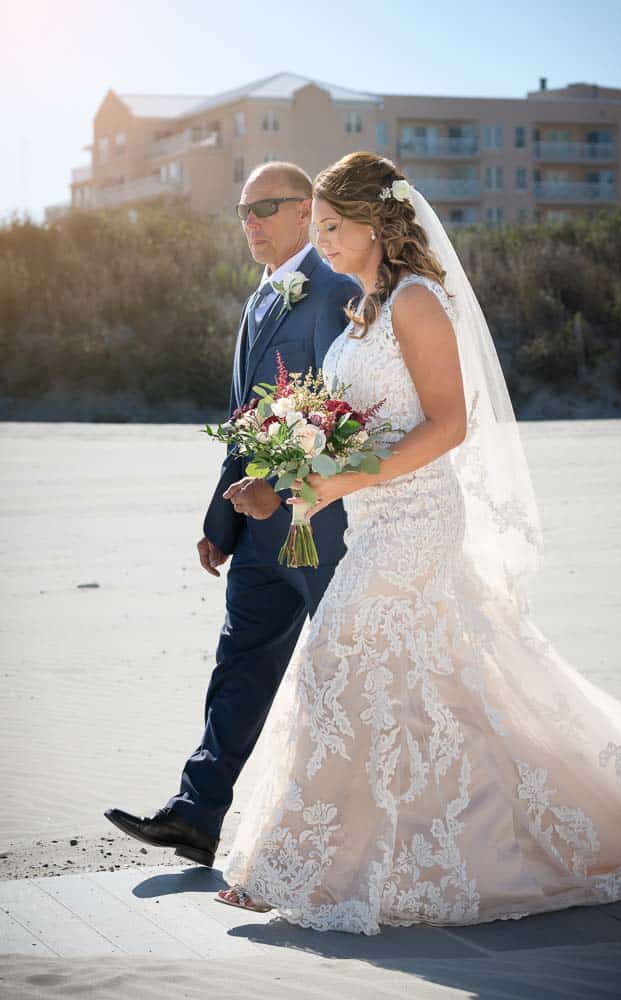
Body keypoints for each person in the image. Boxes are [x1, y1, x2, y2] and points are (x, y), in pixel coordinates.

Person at [215, 151, 621, 933]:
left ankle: (302, 863)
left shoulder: (418, 301)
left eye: (330, 226)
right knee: (430, 685)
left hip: (418, 520)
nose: (318, 242)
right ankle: (354, 854)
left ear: (375, 223)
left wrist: (338, 484)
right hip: (373, 522)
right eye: (315, 227)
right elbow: (342, 431)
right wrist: (281, 484)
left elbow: (448, 425)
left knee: (337, 662)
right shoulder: (363, 309)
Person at [104, 162, 359, 865]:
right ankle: (195, 815)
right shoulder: (259, 300)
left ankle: (372, 827)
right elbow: (246, 420)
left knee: (349, 669)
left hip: (320, 527)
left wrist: (282, 492)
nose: (250, 221)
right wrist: (220, 520)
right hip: (254, 530)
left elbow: (350, 420)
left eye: (265, 207)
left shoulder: (338, 291)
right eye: (242, 210)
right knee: (238, 664)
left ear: (306, 210)